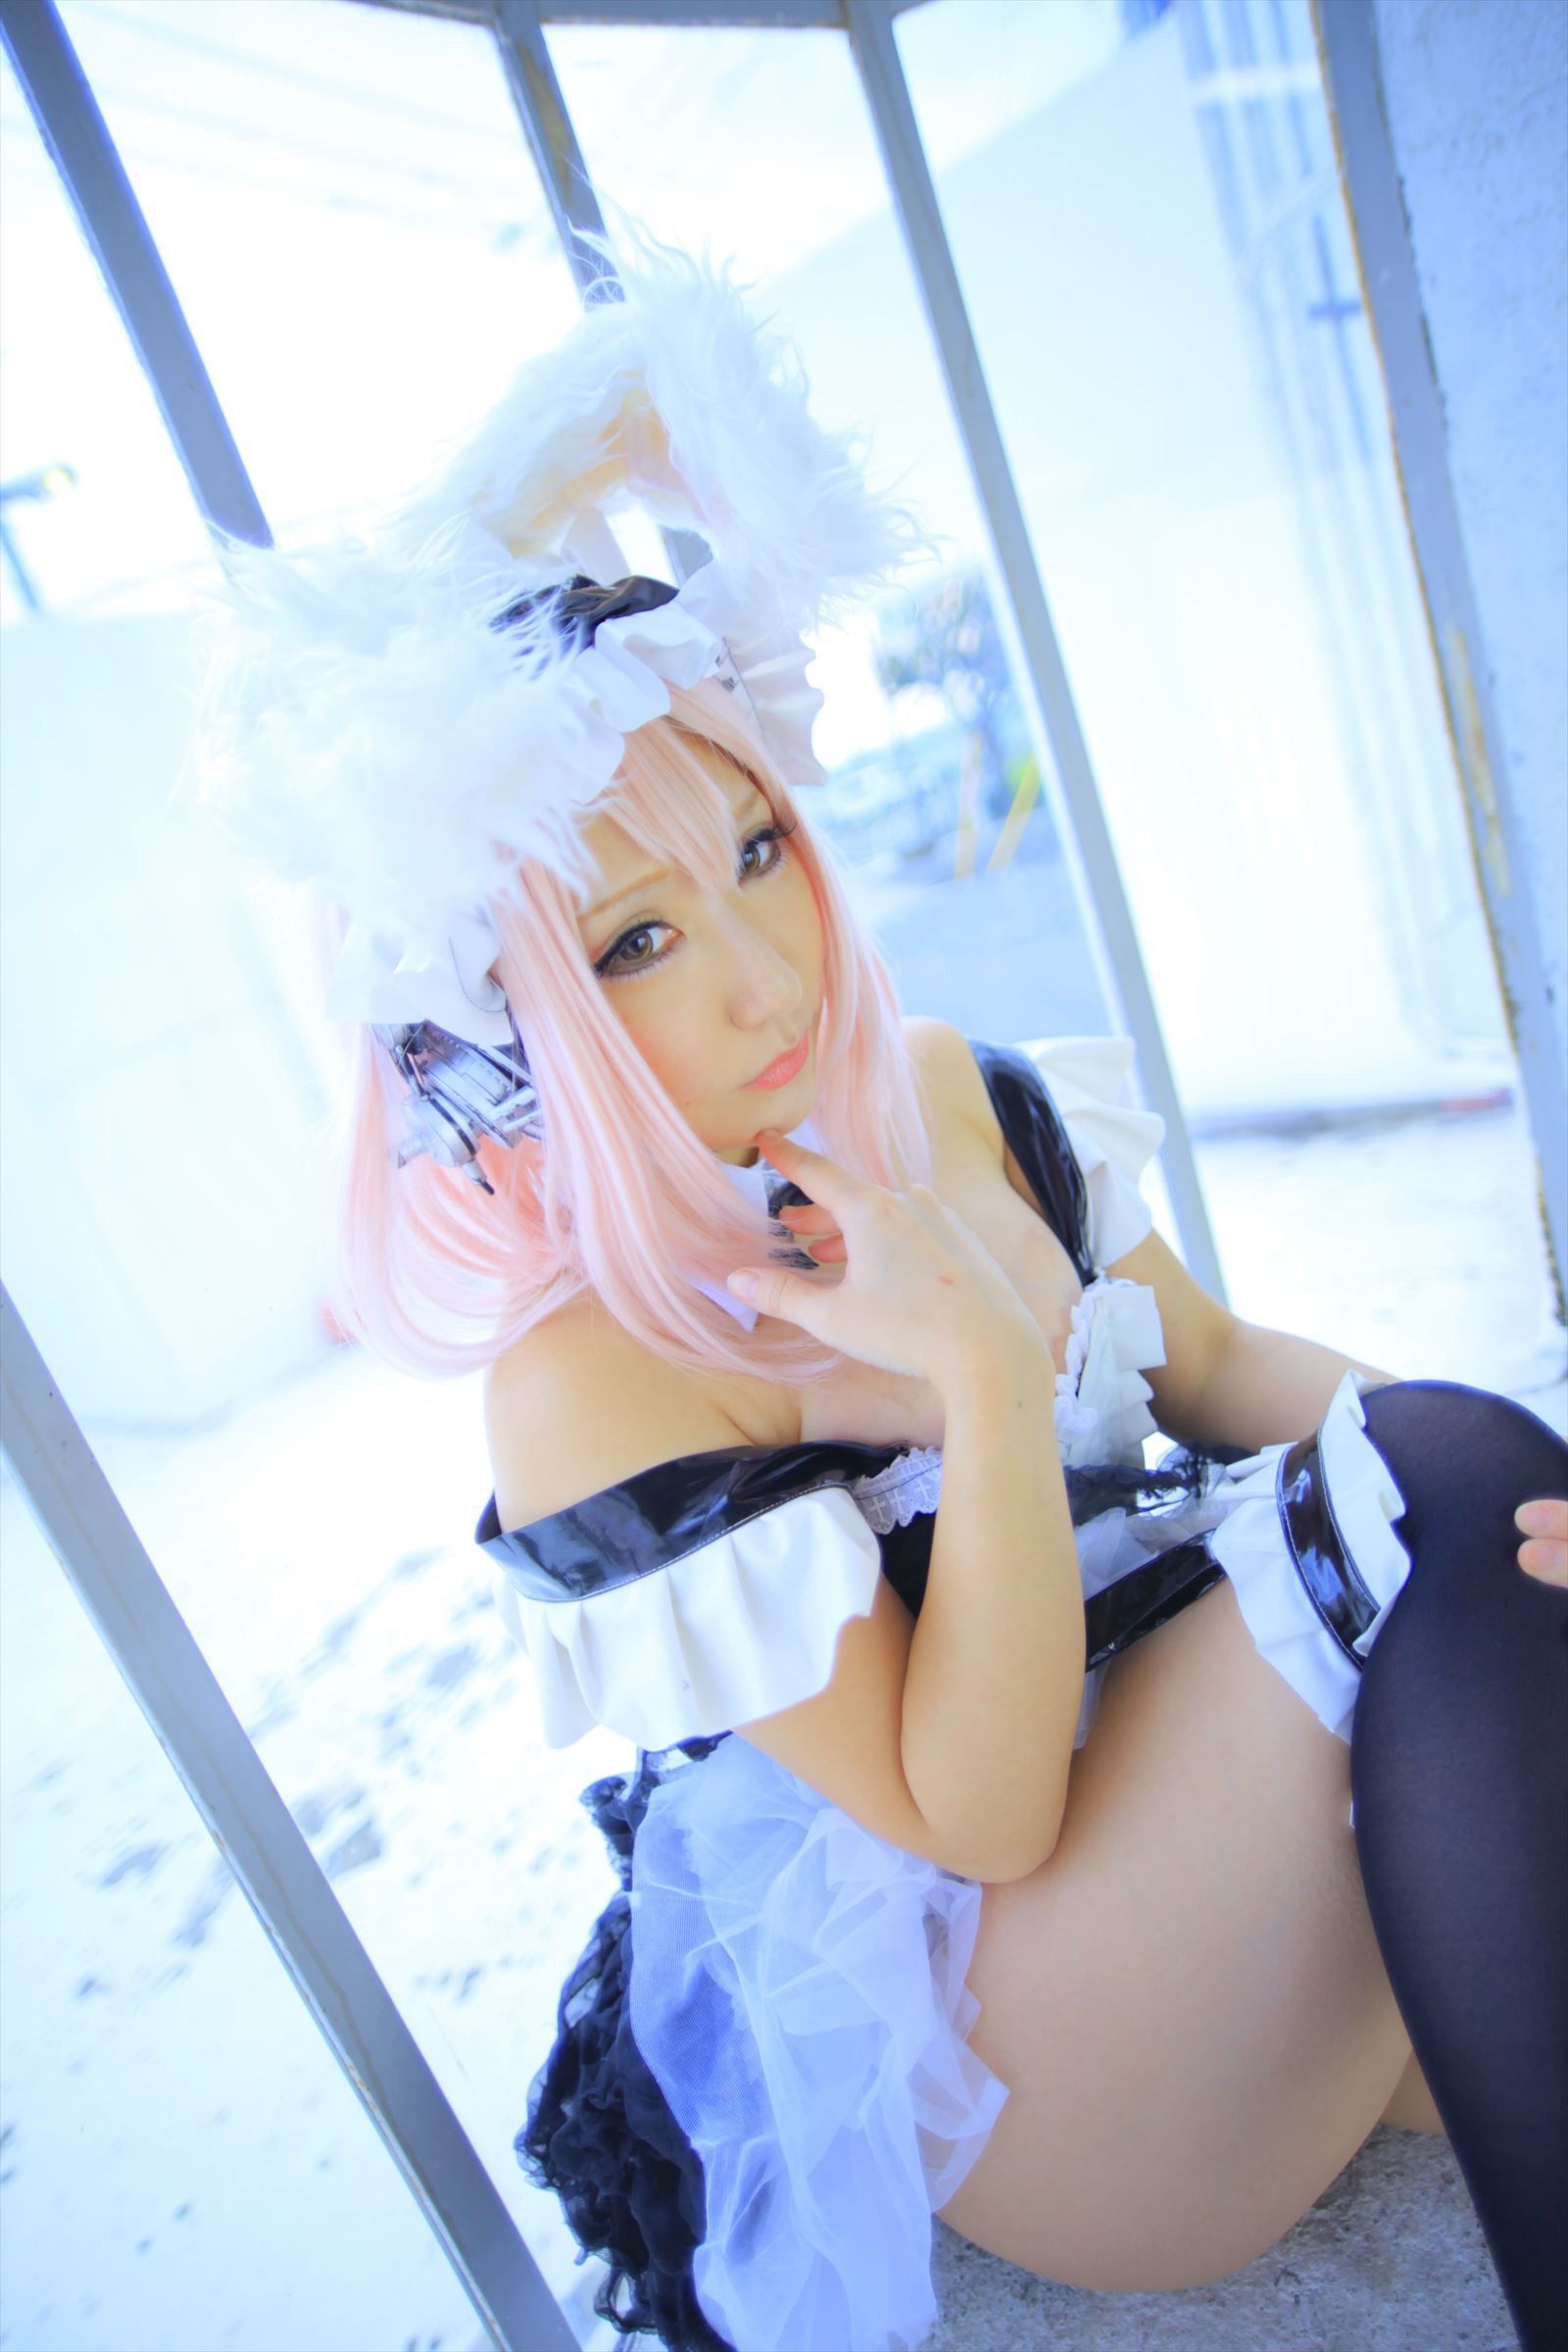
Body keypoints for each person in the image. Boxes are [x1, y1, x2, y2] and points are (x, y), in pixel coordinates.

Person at [185, 239, 1568, 2352]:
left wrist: (1526, 1513)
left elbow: (1214, 1363)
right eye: (636, 944)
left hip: (1218, 1837)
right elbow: (979, 1814)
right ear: (518, 1027)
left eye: (756, 854)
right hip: (1042, 2032)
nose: (763, 976)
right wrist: (978, 1373)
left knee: (1487, 1514)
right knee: (1432, 1487)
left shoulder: (945, 1092)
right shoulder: (588, 1382)